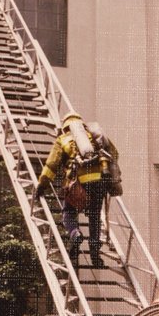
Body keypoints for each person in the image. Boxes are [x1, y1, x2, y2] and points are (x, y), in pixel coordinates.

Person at [35, 112, 121, 269]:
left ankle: (75, 233)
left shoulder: (63, 139)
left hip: (78, 183)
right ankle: (96, 257)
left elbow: (51, 165)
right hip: (99, 182)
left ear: (65, 126)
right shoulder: (94, 136)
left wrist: (42, 186)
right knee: (94, 219)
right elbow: (114, 154)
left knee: (68, 212)